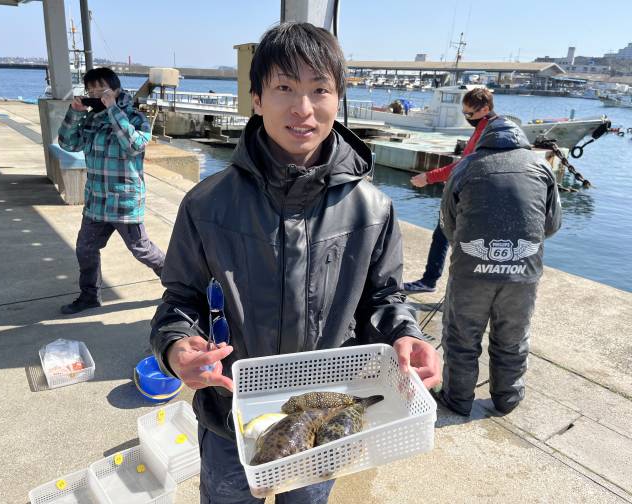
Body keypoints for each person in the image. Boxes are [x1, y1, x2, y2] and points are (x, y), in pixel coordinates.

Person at [150, 23, 441, 504]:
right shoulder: (206, 204)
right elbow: (181, 299)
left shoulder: (373, 208)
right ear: (256, 99)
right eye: (284, 87)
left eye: (319, 89)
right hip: (230, 415)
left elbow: (385, 299)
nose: (302, 108)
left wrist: (406, 335)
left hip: (326, 416)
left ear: (338, 98)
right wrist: (177, 347)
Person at [437, 115, 561, 416]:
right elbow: (552, 224)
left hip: (470, 272)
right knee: (513, 338)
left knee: (461, 338)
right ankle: (508, 399)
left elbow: (448, 223)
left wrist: (475, 254)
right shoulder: (541, 166)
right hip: (523, 272)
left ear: (485, 139)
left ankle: (457, 399)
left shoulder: (465, 167)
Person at [58, 67, 165, 315]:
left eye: (102, 89)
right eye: (91, 91)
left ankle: (181, 284)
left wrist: (113, 110)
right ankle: (89, 296)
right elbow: (68, 144)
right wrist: (75, 113)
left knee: (142, 250)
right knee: (85, 248)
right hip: (96, 201)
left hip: (124, 202)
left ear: (116, 90)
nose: (96, 95)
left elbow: (134, 145)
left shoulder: (135, 117)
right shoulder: (91, 119)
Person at [404, 87, 496, 293]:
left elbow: (465, 164)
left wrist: (428, 177)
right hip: (469, 193)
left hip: (472, 197)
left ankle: (433, 282)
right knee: (445, 236)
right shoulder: (486, 126)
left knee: (452, 239)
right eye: (464, 113)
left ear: (485, 109)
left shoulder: (487, 131)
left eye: (469, 114)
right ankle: (436, 282)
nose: (467, 118)